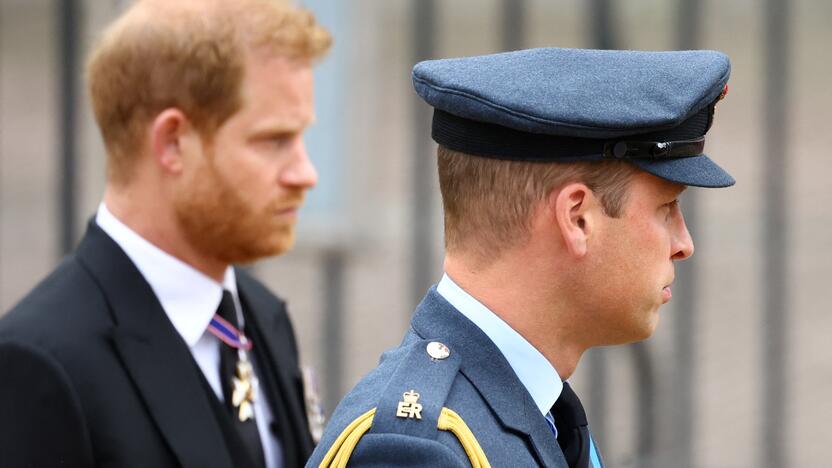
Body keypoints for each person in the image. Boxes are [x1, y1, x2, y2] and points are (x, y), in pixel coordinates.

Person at [307, 48, 734, 467]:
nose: (683, 243)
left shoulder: (542, 413)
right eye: (666, 209)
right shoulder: (419, 450)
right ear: (577, 218)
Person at [0, 1, 331, 467]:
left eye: (302, 138)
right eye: (274, 141)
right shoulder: (43, 364)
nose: (305, 173)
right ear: (173, 142)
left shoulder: (262, 317)